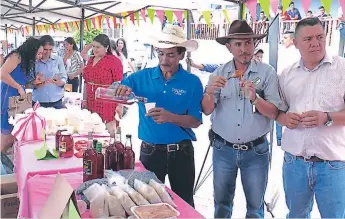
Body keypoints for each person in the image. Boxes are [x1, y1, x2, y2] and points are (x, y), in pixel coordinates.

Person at [113, 25, 203, 207]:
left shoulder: (192, 82)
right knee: (148, 204)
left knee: (184, 203)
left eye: (170, 54)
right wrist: (121, 89)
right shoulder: (140, 77)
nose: (164, 60)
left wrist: (170, 117)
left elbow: (195, 121)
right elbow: (118, 88)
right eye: (161, 53)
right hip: (150, 151)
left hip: (181, 152)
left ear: (181, 55)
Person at [202, 20, 281, 218]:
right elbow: (206, 110)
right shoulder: (218, 74)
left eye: (248, 43)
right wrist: (210, 91)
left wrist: (255, 97)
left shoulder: (267, 73)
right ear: (229, 47)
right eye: (238, 44)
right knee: (221, 205)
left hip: (256, 151)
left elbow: (274, 113)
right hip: (223, 149)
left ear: (254, 44)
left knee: (255, 208)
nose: (244, 49)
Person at [276, 17, 345, 218]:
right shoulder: (286, 75)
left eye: (320, 37)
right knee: (296, 215)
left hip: (332, 164)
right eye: (308, 39)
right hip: (294, 162)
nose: (315, 43)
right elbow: (278, 112)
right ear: (296, 43)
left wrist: (327, 117)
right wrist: (284, 119)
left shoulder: (342, 69)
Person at [1, 38, 43, 170]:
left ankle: (9, 163)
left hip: (23, 99)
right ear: (31, 50)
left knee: (17, 131)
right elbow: (2, 73)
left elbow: (27, 83)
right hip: (10, 96)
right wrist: (18, 87)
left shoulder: (29, 61)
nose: (40, 56)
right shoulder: (16, 56)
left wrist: (35, 82)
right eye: (39, 53)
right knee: (6, 132)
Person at [83, 34, 123, 134]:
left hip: (107, 101)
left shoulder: (114, 61)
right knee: (91, 128)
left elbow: (120, 84)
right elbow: (86, 82)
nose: (95, 49)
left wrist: (120, 105)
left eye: (98, 47)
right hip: (91, 99)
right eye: (93, 46)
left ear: (106, 47)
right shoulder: (91, 60)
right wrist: (84, 99)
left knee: (108, 130)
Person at [33, 35, 67, 109]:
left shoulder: (58, 59)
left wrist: (60, 82)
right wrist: (37, 82)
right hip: (39, 100)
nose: (48, 52)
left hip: (56, 100)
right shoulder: (34, 61)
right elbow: (29, 83)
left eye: (50, 49)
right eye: (45, 49)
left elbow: (64, 77)